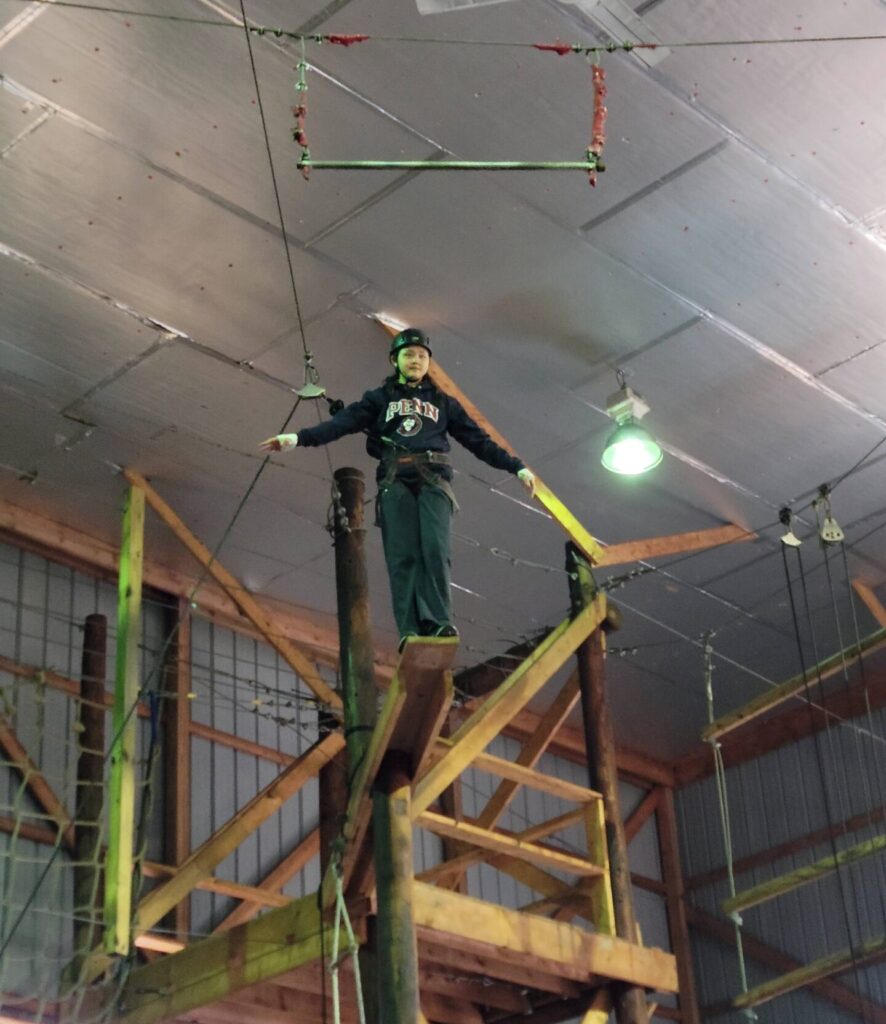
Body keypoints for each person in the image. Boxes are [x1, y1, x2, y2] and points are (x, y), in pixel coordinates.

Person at [260, 328, 536, 650]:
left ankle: (438, 622)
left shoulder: (444, 404)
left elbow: (479, 441)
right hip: (395, 478)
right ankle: (411, 628)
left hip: (433, 477)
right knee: (402, 555)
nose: (416, 360)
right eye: (409, 354)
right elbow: (340, 424)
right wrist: (297, 438)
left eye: (422, 355)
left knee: (434, 549)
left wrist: (516, 466)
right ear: (395, 360)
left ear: (429, 362)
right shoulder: (379, 400)